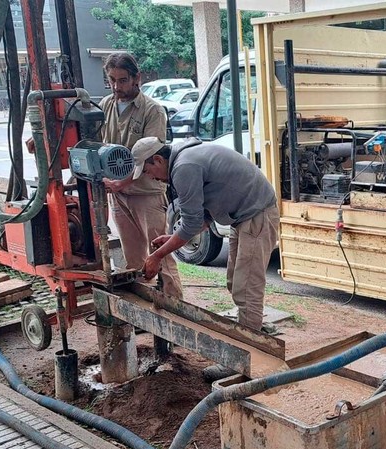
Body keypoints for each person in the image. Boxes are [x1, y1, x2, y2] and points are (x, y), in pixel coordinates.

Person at [130, 136, 279, 379]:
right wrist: (172, 238)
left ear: (158, 159)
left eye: (148, 171)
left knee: (246, 287)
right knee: (235, 281)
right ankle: (254, 330)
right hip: (244, 215)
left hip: (256, 215)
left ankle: (245, 360)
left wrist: (157, 256)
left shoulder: (184, 167)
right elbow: (201, 217)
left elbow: (190, 224)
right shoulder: (183, 158)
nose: (152, 178)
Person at [98, 52, 183, 299]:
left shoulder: (152, 111)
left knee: (161, 255)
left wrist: (121, 182)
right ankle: (142, 313)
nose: (116, 86)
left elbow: (151, 156)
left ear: (137, 78)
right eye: (112, 80)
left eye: (122, 80)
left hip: (146, 194)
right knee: (133, 259)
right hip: (119, 195)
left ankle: (174, 310)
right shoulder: (105, 105)